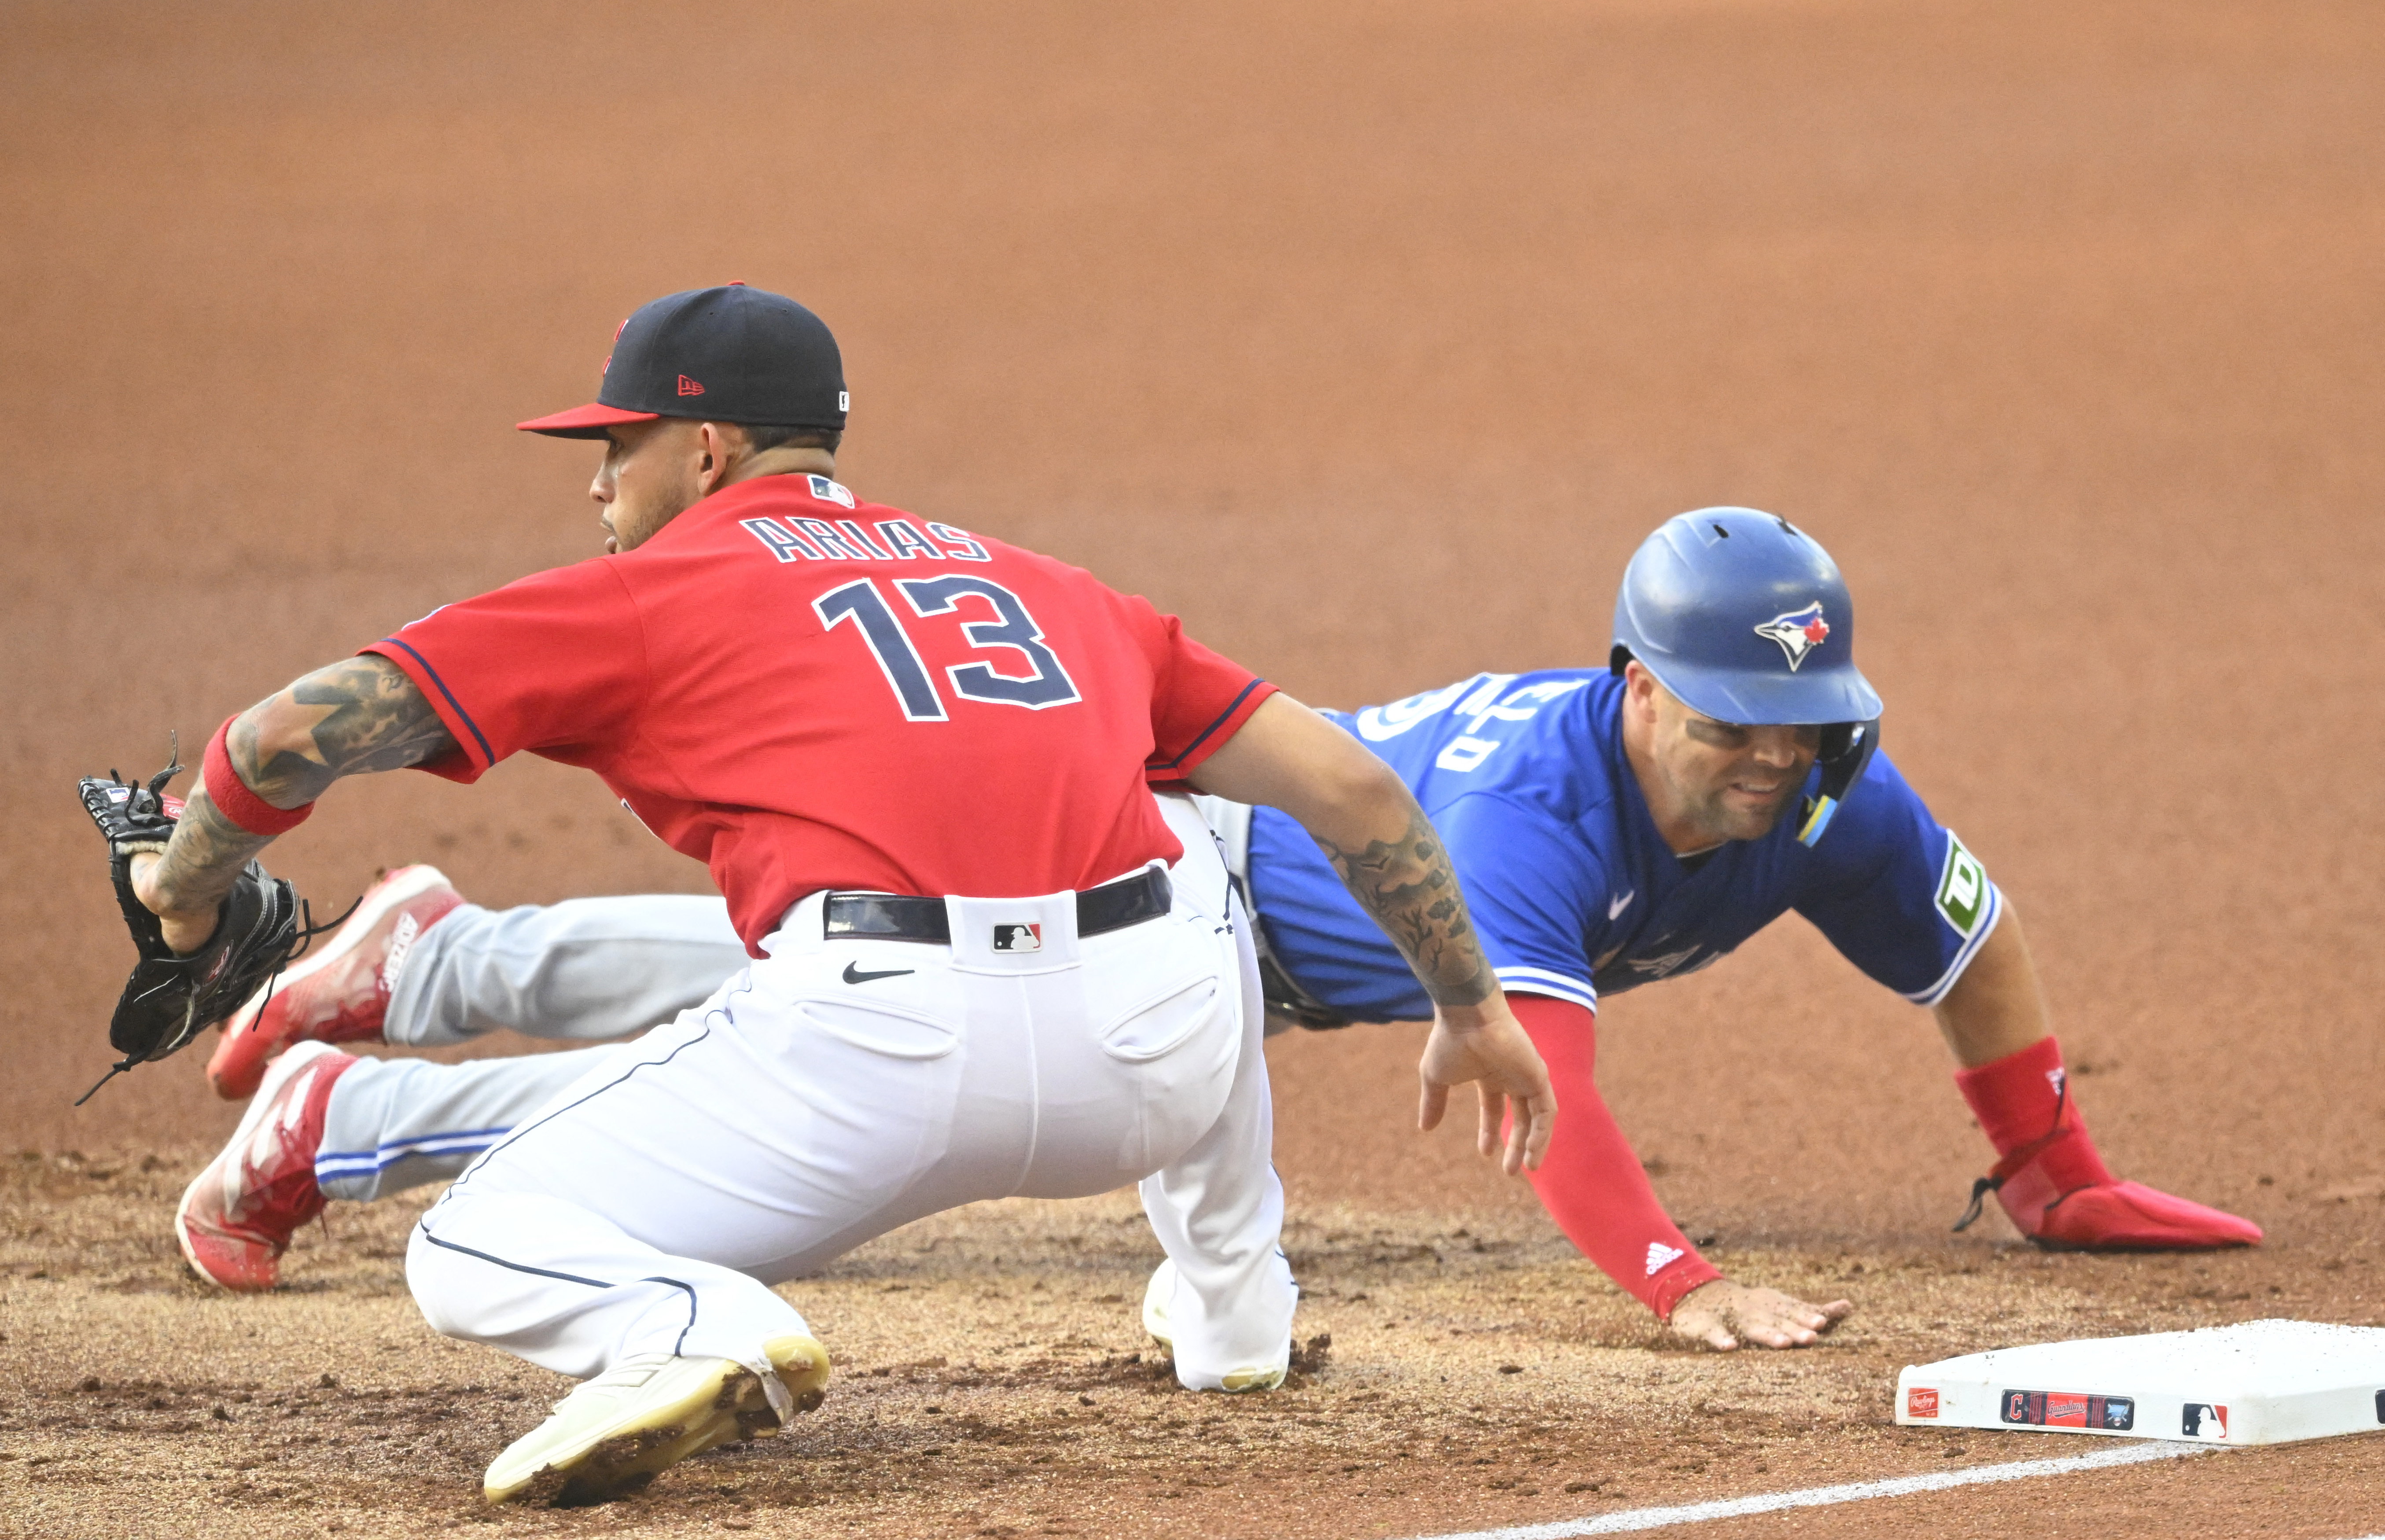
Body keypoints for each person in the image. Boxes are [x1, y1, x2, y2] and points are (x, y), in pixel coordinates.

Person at [184, 505, 2259, 1358]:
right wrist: (1675, 1281)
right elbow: (1556, 1080)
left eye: (1799, 731)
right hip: (1154, 905)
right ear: (1633, 680)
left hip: (1169, 959)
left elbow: (1968, 945)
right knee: (776, 998)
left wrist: (2053, 1174)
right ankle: (399, 1022)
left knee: (759, 981)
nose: (1764, 767)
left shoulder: (1823, 790)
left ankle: (422, 969)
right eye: (1728, 724)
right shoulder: (1524, 812)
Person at [130, 283, 1554, 1505]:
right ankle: (1238, 1315)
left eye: (613, 450)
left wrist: (184, 887)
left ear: (702, 449)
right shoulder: (1053, 588)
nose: (596, 487)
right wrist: (1471, 1004)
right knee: (1183, 852)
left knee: (471, 1248)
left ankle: (701, 1322)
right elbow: (1357, 789)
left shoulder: (644, 592)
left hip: (874, 1084)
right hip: (1149, 1077)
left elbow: (283, 736)